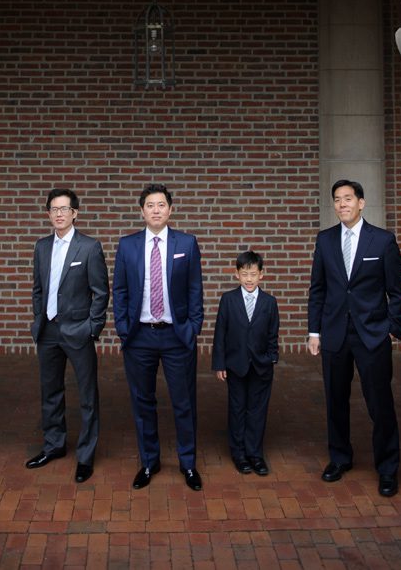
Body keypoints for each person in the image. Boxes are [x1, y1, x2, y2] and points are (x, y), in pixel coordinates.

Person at [307, 179, 401, 497]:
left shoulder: (382, 241)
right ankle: (340, 458)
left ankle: (388, 469)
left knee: (379, 403)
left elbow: (397, 291)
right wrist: (314, 331)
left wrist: (392, 326)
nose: (342, 204)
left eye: (348, 198)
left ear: (361, 203)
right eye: (337, 200)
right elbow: (318, 290)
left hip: (372, 334)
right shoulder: (325, 241)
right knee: (335, 400)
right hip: (335, 333)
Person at [113, 183, 204, 491]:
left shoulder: (187, 243)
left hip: (176, 336)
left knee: (183, 402)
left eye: (161, 205)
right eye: (150, 205)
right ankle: (149, 462)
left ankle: (188, 463)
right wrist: (124, 328)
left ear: (170, 209)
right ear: (142, 211)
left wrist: (192, 328)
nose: (156, 210)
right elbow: (121, 290)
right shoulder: (127, 246)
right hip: (139, 337)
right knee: (142, 402)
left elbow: (195, 289)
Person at [26, 189, 109, 484]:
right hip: (48, 331)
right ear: (48, 214)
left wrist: (92, 328)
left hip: (78, 332)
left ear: (75, 213)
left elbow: (100, 292)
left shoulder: (89, 247)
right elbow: (38, 288)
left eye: (64, 209)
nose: (59, 214)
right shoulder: (41, 246)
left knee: (87, 395)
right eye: (53, 209)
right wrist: (38, 320)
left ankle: (85, 456)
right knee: (50, 392)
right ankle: (54, 445)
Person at [212, 251, 279, 476]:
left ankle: (255, 454)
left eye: (253, 274)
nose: (249, 279)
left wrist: (272, 357)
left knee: (257, 411)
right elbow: (220, 333)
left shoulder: (269, 302)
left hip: (261, 366)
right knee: (238, 409)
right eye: (244, 274)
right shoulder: (228, 300)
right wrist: (219, 364)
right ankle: (239, 453)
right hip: (235, 365)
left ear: (262, 275)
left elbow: (272, 334)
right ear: (236, 275)